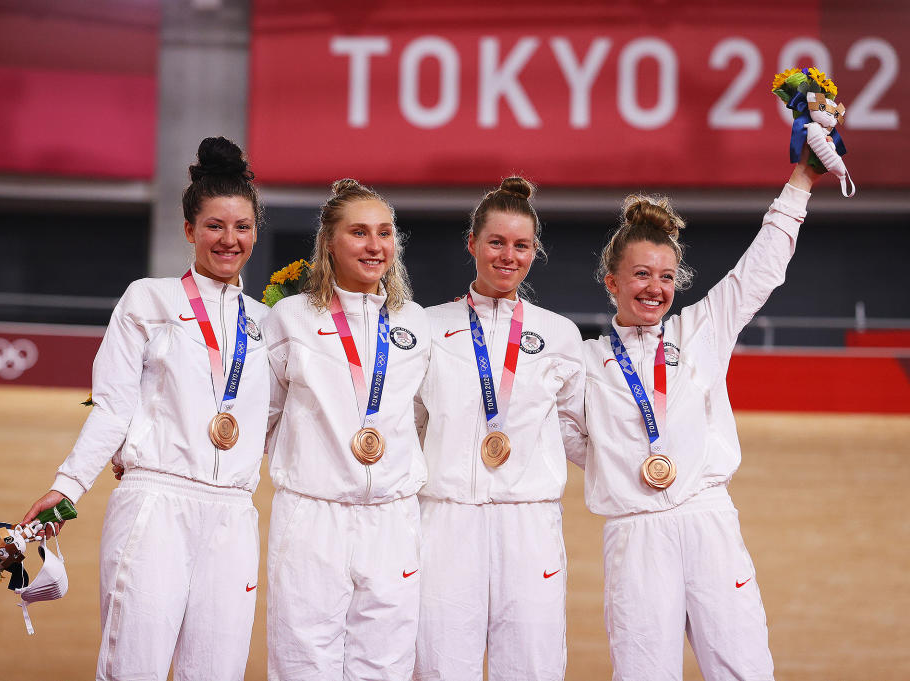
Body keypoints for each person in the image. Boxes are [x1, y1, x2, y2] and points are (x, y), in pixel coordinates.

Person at [22, 137, 271, 681]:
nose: (229, 240)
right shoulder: (147, 300)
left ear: (256, 232)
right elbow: (113, 406)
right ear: (188, 229)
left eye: (242, 227)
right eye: (214, 226)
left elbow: (273, 423)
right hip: (156, 502)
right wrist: (67, 488)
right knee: (133, 668)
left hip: (233, 514)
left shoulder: (268, 324)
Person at [582, 152, 822, 680]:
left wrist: (801, 182)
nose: (655, 288)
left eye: (666, 276)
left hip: (708, 520)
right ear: (611, 282)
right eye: (641, 274)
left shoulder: (701, 330)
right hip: (636, 533)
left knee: (744, 670)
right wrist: (625, 469)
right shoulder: (584, 363)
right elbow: (578, 442)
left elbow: (758, 271)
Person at [414, 177, 587, 681]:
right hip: (446, 520)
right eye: (496, 242)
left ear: (535, 251)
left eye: (521, 245)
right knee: (441, 667)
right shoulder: (426, 326)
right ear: (472, 244)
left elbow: (575, 432)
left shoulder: (559, 334)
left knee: (532, 668)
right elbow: (411, 425)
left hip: (529, 523)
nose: (508, 256)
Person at [261, 179, 429, 680]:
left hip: (393, 519)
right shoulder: (290, 318)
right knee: (303, 661)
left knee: (387, 665)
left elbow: (422, 419)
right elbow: (264, 416)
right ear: (328, 243)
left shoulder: (415, 324)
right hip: (312, 515)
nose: (375, 245)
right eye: (358, 232)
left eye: (384, 233)